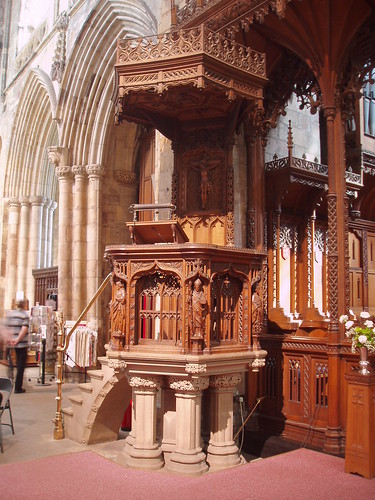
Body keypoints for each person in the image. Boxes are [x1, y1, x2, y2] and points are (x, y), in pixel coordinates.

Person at [5, 299, 29, 393]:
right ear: (24, 305)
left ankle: (9, 384)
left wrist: (9, 339)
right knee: (20, 366)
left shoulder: (10, 315)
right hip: (21, 344)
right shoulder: (24, 315)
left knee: (10, 365)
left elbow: (6, 327)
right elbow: (24, 330)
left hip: (10, 343)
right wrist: (17, 340)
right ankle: (18, 387)